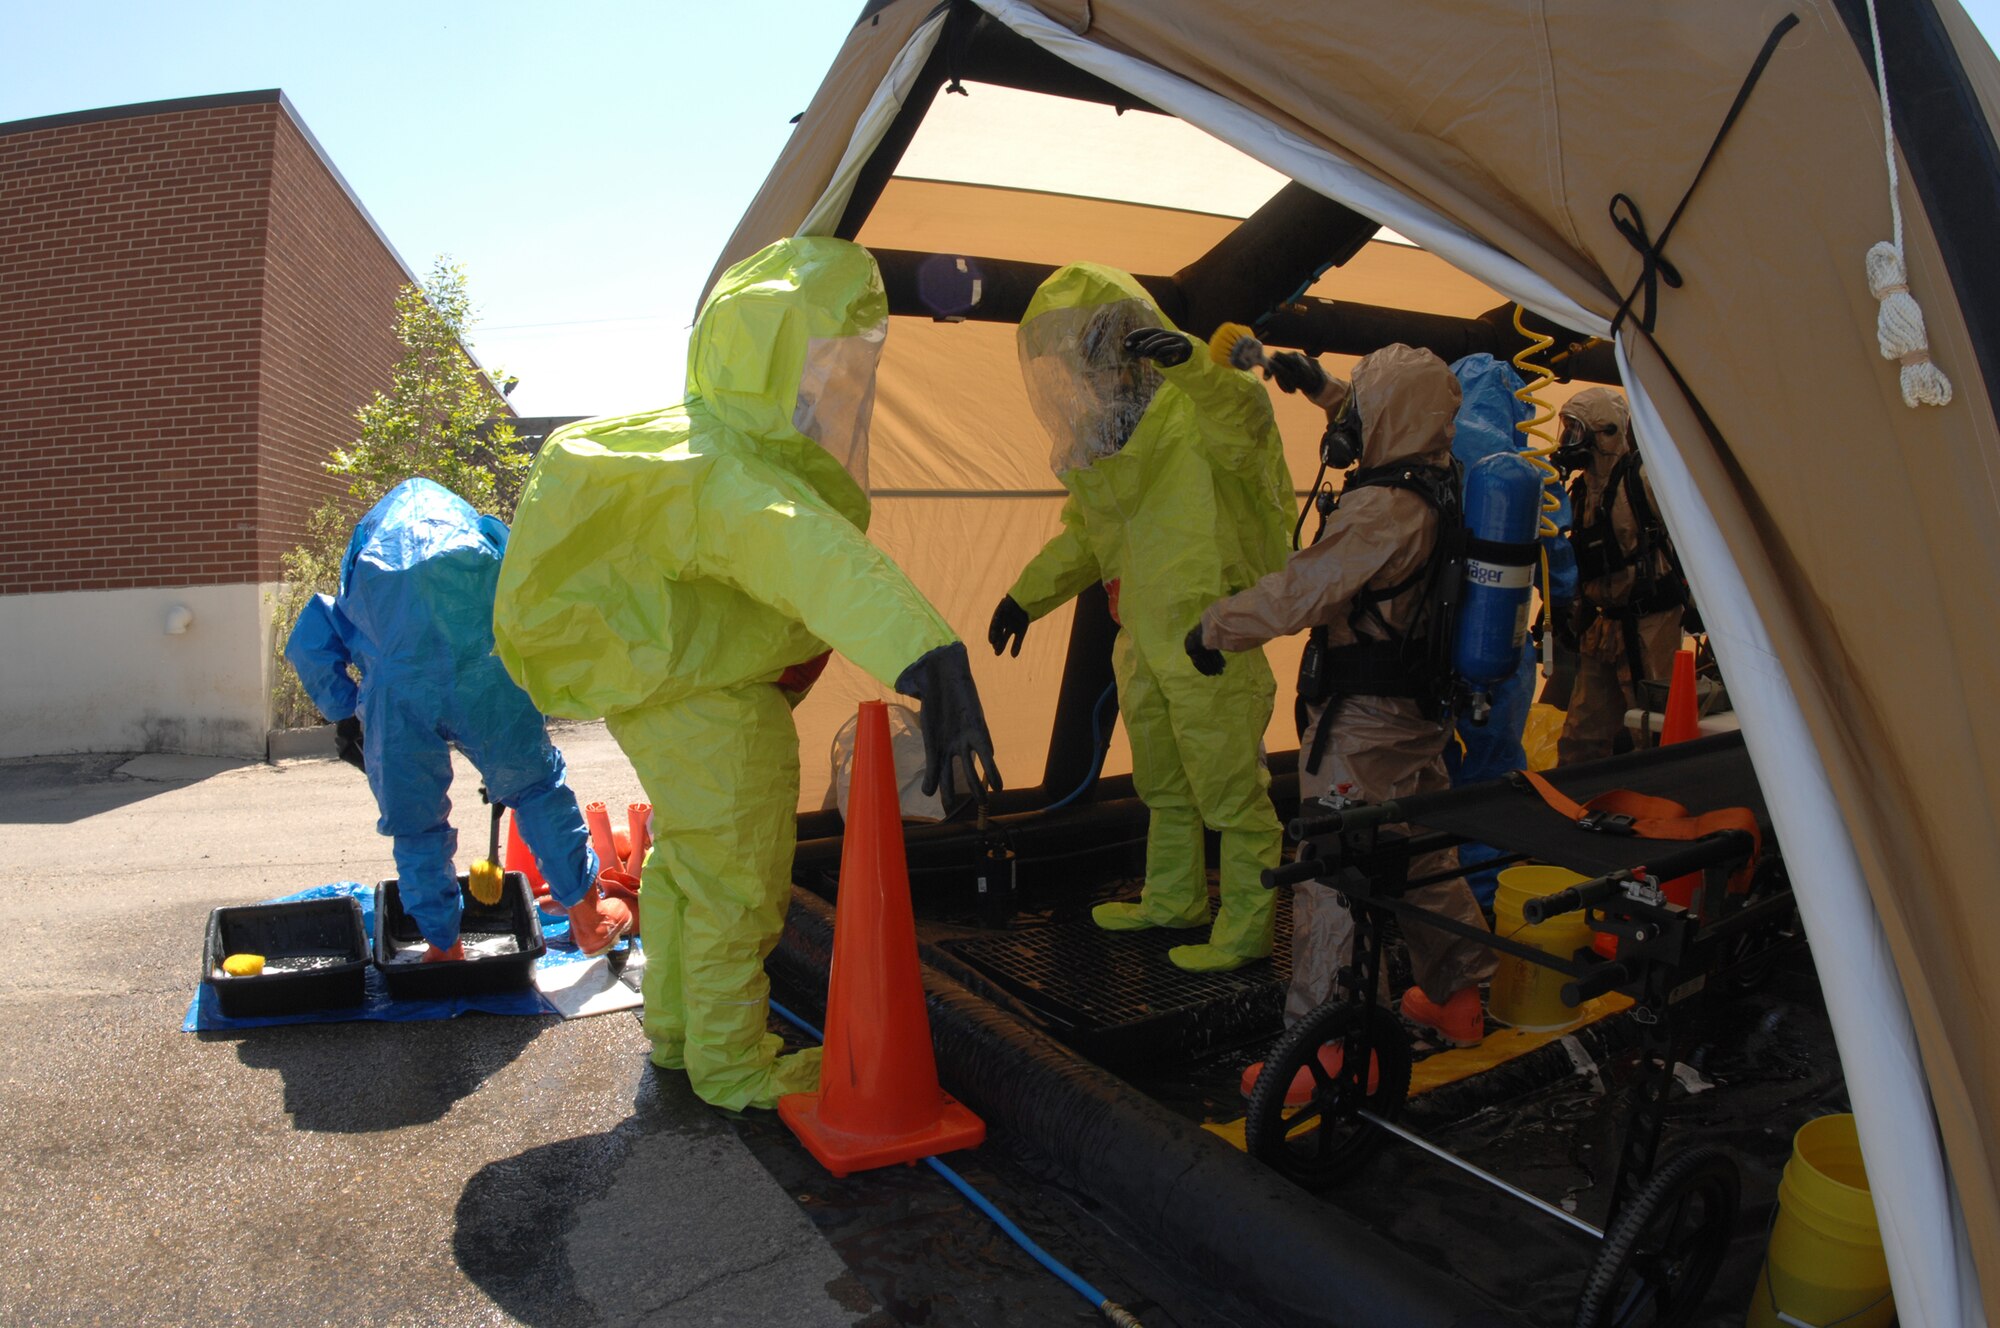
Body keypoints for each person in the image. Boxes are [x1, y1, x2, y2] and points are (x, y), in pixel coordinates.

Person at [492, 236, 1001, 1112]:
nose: (835, 389)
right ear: (773, 359)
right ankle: (734, 1065)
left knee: (690, 868)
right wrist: (929, 656)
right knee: (739, 883)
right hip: (714, 707)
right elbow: (811, 557)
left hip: (669, 695)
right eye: (822, 365)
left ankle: (682, 1035)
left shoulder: (691, 449)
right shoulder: (730, 474)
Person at [1188, 344, 1497, 1100]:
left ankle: (1325, 1048)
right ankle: (1461, 999)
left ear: (1386, 416)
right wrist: (1322, 389)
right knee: (1424, 858)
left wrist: (1214, 628)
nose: (1352, 418)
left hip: (1361, 724)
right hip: (1417, 717)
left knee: (1330, 875)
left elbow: (1304, 591)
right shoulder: (1443, 480)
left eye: (1363, 404)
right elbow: (1399, 421)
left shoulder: (1380, 509)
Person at [988, 263, 1293, 975]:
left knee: (1231, 790)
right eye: (1079, 353)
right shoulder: (1106, 437)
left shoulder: (1199, 406)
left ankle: (1246, 928)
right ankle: (1174, 899)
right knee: (1164, 782)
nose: (1092, 368)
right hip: (1145, 638)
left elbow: (1248, 425)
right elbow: (1089, 537)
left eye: (1100, 345)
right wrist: (1025, 596)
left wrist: (1196, 368)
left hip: (1209, 630)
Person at [285, 477, 623, 962]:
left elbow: (311, 641)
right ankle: (589, 919)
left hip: (397, 699)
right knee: (538, 791)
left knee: (415, 825)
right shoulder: (484, 539)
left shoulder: (368, 556)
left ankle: (444, 946)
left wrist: (344, 712)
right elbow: (534, 596)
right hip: (487, 684)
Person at [1442, 353, 1577, 906]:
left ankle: (1432, 890)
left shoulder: (1432, 447)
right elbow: (1558, 554)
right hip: (1501, 640)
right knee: (1495, 769)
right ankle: (1485, 893)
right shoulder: (1528, 468)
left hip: (1433, 640)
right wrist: (1565, 604)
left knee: (1434, 766)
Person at [1555, 387, 1687, 764]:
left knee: (1652, 730)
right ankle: (1574, 804)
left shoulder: (1644, 481)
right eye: (1567, 430)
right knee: (1582, 734)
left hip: (1650, 622)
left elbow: (1692, 540)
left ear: (1605, 432)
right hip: (1601, 624)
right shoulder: (1580, 491)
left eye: (1577, 431)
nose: (1569, 442)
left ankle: (1660, 803)